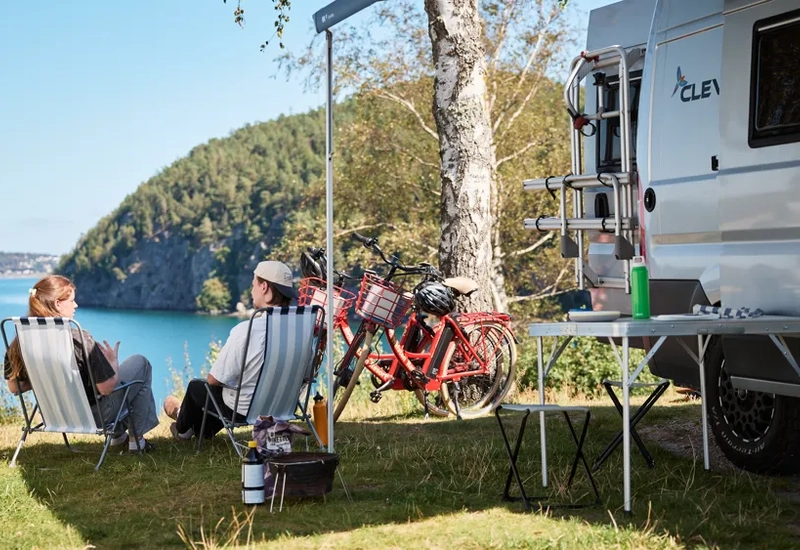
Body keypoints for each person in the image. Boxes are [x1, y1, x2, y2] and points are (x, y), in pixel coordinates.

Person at [3, 275, 159, 452]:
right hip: (94, 416)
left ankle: (118, 437)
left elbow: (15, 387)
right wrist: (113, 364)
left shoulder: (20, 341)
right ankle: (136, 442)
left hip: (54, 414)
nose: (76, 305)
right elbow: (106, 389)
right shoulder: (78, 339)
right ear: (57, 304)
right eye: (72, 300)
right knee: (141, 364)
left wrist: (48, 376)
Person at [164, 260, 297, 440]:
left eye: (253, 286)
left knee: (198, 386)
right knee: (223, 396)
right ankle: (197, 430)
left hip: (245, 411)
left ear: (264, 287)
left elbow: (213, 380)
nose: (251, 292)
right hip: (284, 406)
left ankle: (181, 429)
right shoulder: (300, 331)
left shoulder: (248, 330)